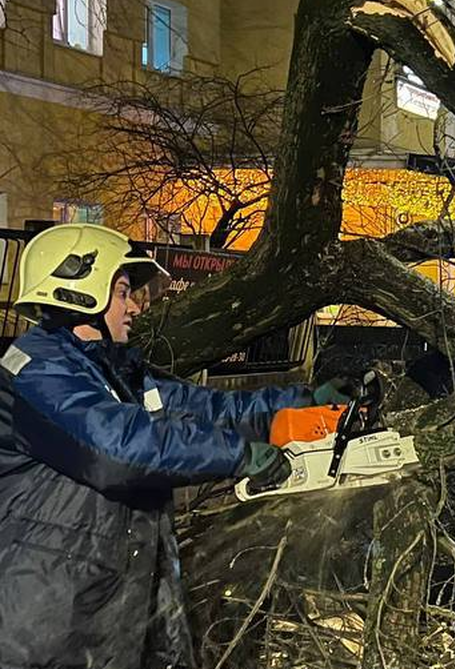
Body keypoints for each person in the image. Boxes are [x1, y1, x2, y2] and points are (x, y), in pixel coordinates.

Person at [0, 224, 322, 668]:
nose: (133, 307)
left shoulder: (110, 374)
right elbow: (119, 447)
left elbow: (203, 409)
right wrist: (237, 455)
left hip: (106, 616)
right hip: (49, 628)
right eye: (122, 291)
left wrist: (305, 404)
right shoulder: (37, 373)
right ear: (78, 293)